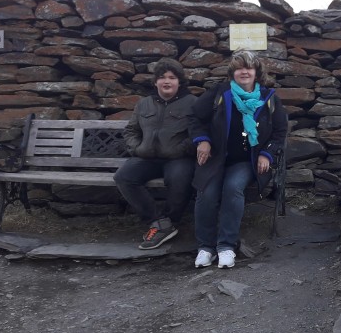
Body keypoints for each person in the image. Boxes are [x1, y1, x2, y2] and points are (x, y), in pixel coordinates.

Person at [190, 50, 288, 268]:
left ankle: (226, 246)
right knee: (206, 191)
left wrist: (267, 153)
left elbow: (280, 132)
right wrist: (202, 140)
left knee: (233, 187)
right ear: (233, 72)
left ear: (256, 72)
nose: (244, 72)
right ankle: (205, 247)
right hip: (216, 158)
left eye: (249, 68)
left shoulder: (268, 98)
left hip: (248, 160)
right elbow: (196, 117)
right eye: (239, 68)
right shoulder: (220, 93)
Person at [114, 59, 197, 250]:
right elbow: (130, 131)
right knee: (124, 177)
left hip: (178, 158)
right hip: (146, 158)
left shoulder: (192, 103)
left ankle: (172, 219)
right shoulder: (144, 104)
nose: (166, 82)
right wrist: (136, 148)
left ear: (179, 82)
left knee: (179, 178)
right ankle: (159, 222)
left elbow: (197, 133)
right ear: (155, 82)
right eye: (162, 78)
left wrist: (181, 149)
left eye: (171, 78)